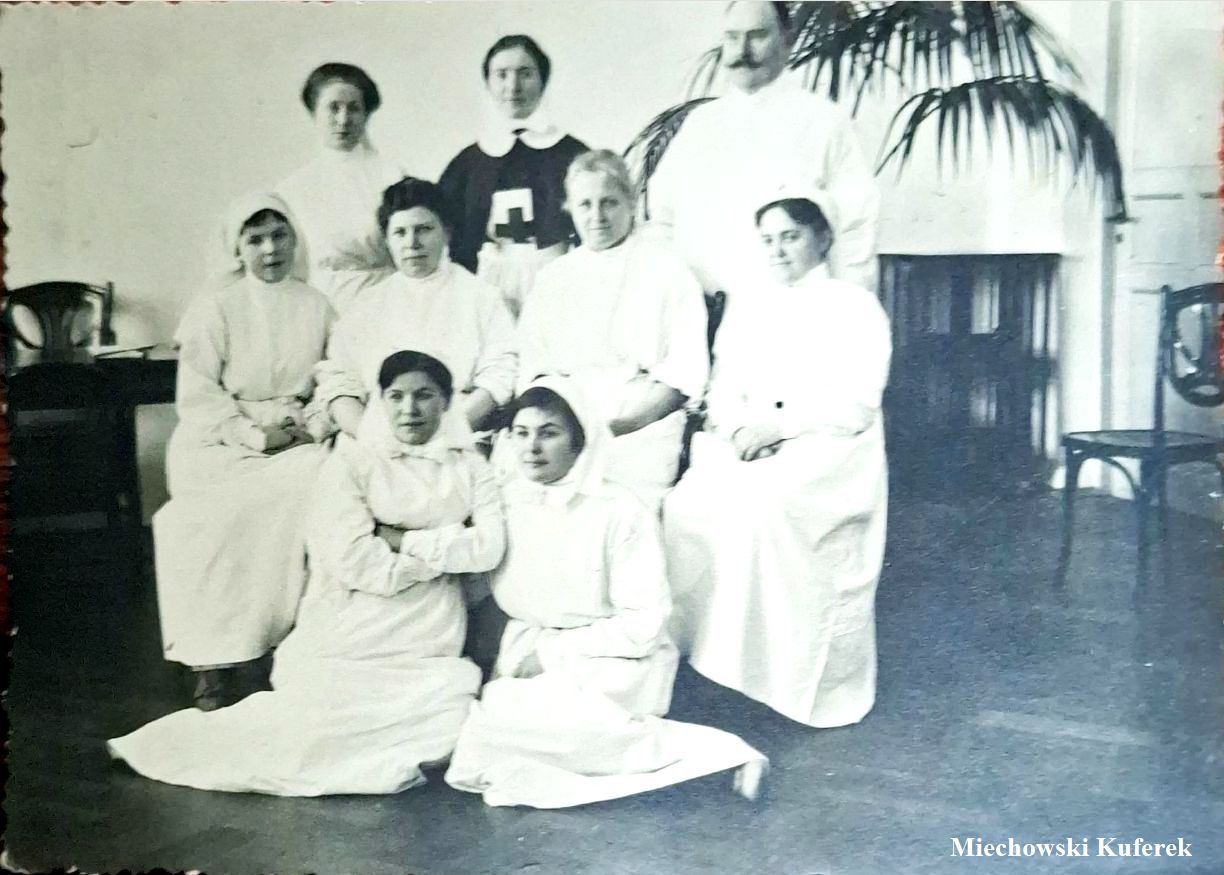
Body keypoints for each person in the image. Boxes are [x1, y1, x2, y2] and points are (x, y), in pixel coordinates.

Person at [109, 352, 505, 796]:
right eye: (396, 396)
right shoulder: (354, 462)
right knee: (317, 731)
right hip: (357, 620)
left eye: (424, 396)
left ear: (447, 402)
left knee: (445, 720)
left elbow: (489, 549)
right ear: (381, 401)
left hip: (429, 630)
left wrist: (401, 540)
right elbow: (355, 562)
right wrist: (444, 552)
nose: (409, 409)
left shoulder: (470, 466)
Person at [445, 377, 766, 808]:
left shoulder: (620, 511)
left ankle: (724, 755)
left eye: (549, 433)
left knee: (552, 725)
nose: (532, 448)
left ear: (580, 440)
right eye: (521, 433)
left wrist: (552, 654)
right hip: (528, 651)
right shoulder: (506, 503)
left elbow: (643, 624)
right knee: (491, 730)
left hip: (615, 658)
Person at [662, 193, 891, 729]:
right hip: (748, 442)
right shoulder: (750, 305)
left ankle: (779, 678)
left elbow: (857, 403)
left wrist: (780, 429)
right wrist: (739, 428)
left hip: (826, 448)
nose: (778, 250)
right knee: (686, 507)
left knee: (765, 510)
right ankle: (711, 664)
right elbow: (723, 386)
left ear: (822, 239)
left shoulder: (855, 307)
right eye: (768, 240)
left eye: (791, 236)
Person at [154, 192, 334, 712]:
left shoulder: (317, 305)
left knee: (313, 480)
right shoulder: (216, 307)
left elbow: (332, 378)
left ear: (295, 239)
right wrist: (254, 436)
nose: (270, 249)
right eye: (255, 239)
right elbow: (198, 396)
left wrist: (309, 425)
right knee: (204, 520)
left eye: (279, 236)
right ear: (237, 247)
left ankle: (279, 644)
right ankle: (211, 662)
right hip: (219, 440)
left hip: (295, 436)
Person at [648, 1, 880, 303]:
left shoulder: (823, 121)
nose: (742, 50)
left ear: (787, 39)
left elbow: (856, 229)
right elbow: (661, 223)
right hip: (700, 312)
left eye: (757, 35)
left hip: (788, 312)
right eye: (732, 37)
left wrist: (851, 308)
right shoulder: (698, 126)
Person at [516, 150, 708, 507]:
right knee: (524, 497)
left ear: (631, 203)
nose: (597, 217)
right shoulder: (553, 278)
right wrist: (561, 428)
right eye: (585, 204)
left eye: (609, 202)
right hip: (562, 417)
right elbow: (534, 369)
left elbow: (683, 376)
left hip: (640, 422)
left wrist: (619, 426)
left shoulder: (667, 271)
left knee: (612, 502)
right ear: (570, 208)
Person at [315, 177, 517, 441]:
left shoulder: (482, 297)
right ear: (387, 240)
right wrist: (370, 434)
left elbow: (499, 374)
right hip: (378, 435)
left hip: (458, 430)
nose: (412, 243)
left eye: (423, 229)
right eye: (400, 233)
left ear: (446, 233)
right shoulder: (368, 304)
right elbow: (338, 378)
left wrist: (449, 431)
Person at [439, 35, 589, 318]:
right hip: (488, 282)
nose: (513, 86)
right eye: (502, 74)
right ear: (488, 83)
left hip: (556, 278)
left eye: (525, 73)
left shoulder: (573, 155)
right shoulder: (467, 163)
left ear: (543, 80)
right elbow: (453, 240)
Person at [278, 62, 407, 314]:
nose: (343, 119)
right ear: (314, 112)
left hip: (386, 301)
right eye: (333, 108)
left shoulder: (392, 176)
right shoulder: (292, 189)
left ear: (366, 114)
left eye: (354, 108)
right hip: (322, 303)